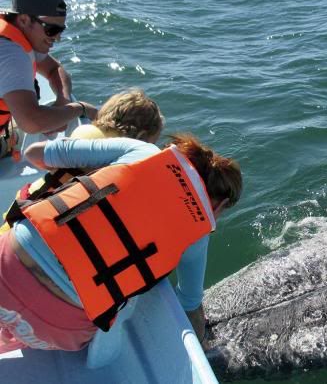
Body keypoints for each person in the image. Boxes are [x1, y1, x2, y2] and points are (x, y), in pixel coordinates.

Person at [0, 134, 242, 351]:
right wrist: (202, 343)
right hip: (59, 329)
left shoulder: (142, 151)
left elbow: (36, 153)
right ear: (220, 205)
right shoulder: (198, 232)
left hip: (6, 262)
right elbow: (190, 303)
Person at [0, 88, 164, 233]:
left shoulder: (86, 133)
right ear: (142, 136)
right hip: (42, 223)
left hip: (23, 210)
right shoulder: (125, 158)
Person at [0, 0, 99, 157]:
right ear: (24, 20)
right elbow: (32, 122)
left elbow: (55, 69)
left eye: (61, 30)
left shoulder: (17, 34)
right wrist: (79, 109)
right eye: (52, 30)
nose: (57, 38)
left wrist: (63, 101)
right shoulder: (12, 54)